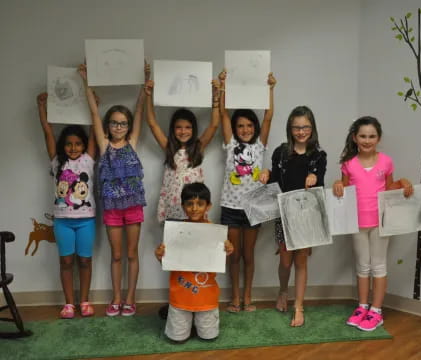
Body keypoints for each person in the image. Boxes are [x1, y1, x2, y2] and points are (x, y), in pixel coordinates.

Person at [78, 62, 150, 317]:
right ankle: (116, 297)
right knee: (116, 255)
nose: (118, 127)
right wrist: (87, 83)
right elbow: (94, 115)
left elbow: (140, 110)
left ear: (129, 127)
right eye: (114, 123)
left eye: (123, 123)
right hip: (111, 210)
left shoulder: (132, 142)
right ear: (108, 126)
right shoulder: (104, 143)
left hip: (133, 208)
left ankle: (130, 298)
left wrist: (145, 84)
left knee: (132, 254)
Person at [332, 116, 413, 331]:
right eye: (363, 136)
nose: (367, 140)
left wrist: (403, 182)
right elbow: (344, 190)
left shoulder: (386, 161)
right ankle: (362, 306)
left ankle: (376, 310)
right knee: (362, 265)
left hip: (380, 222)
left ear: (378, 138)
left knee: (378, 265)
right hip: (357, 223)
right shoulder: (348, 163)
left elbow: (390, 188)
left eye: (372, 136)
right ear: (355, 138)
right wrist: (337, 183)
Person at [259, 105, 327, 327]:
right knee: (286, 262)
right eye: (297, 127)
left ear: (312, 128)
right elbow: (274, 183)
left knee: (301, 263)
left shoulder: (318, 155)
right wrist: (267, 175)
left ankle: (299, 306)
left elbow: (320, 182)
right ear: (290, 128)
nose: (301, 131)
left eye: (305, 127)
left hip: (307, 215)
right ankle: (282, 291)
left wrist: (314, 178)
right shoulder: (280, 152)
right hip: (284, 214)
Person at [218, 70, 276, 313]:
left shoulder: (260, 146)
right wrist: (222, 86)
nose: (245, 129)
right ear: (234, 128)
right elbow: (222, 113)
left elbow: (269, 117)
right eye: (240, 125)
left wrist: (270, 89)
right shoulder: (231, 144)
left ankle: (248, 297)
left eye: (249, 125)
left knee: (248, 255)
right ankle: (234, 297)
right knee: (234, 255)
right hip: (231, 208)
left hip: (253, 207)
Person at [36, 92, 97, 318]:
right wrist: (41, 107)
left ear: (83, 145)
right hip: (62, 221)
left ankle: (85, 301)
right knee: (66, 261)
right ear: (63, 146)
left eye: (78, 143)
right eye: (69, 144)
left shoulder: (89, 160)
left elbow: (94, 132)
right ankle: (69, 304)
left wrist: (94, 105)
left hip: (86, 220)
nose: (73, 147)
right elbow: (47, 131)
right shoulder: (56, 160)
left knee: (84, 260)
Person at [155, 182, 234, 343]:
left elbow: (220, 257)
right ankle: (179, 317)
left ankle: (191, 323)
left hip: (206, 298)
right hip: (180, 296)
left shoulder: (215, 232)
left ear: (208, 206)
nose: (195, 208)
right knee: (176, 339)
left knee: (209, 337)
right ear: (183, 206)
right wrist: (160, 255)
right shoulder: (175, 231)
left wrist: (228, 249)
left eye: (200, 204)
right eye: (190, 204)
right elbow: (166, 260)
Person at [144, 79, 221, 223]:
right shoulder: (169, 147)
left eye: (188, 127)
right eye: (179, 127)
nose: (183, 131)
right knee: (173, 243)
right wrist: (149, 95)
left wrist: (215, 98)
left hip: (194, 206)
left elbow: (214, 124)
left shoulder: (198, 147)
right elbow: (152, 124)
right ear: (173, 130)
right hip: (172, 207)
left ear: (194, 129)